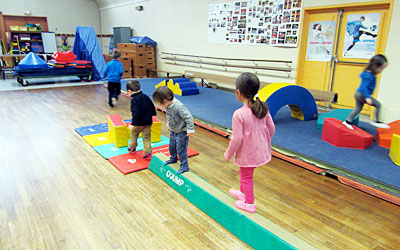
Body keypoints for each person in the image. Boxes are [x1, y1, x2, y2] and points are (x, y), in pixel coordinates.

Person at [224, 73, 275, 213]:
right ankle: (243, 193)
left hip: (248, 153)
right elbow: (271, 128)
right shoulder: (263, 108)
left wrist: (228, 154)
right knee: (244, 173)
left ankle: (249, 203)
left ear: (238, 92)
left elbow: (237, 139)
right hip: (259, 151)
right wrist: (262, 142)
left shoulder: (239, 114)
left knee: (247, 177)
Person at [152, 86, 195, 175]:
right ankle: (173, 158)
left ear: (166, 101)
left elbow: (189, 118)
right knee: (172, 146)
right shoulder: (168, 105)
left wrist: (190, 130)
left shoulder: (179, 107)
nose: (160, 105)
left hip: (182, 132)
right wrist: (169, 125)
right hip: (173, 130)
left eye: (160, 103)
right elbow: (169, 116)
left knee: (181, 149)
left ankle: (184, 166)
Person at [342, 54, 390, 130]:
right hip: (362, 95)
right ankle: (377, 121)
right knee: (378, 105)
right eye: (381, 68)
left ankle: (347, 122)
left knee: (358, 109)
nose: (381, 71)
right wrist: (367, 97)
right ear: (375, 66)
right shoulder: (369, 75)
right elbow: (364, 87)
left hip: (358, 93)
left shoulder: (367, 73)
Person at [126, 80, 157, 159]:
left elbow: (135, 113)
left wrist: (133, 124)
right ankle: (147, 152)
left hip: (139, 123)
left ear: (129, 91)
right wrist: (153, 114)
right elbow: (152, 106)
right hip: (148, 122)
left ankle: (132, 148)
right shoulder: (145, 96)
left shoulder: (134, 100)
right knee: (146, 137)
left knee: (134, 134)